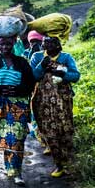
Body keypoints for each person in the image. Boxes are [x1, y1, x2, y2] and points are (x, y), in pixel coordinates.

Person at [0, 35, 36, 185]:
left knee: (18, 137)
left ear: (12, 45)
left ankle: (17, 171)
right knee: (6, 136)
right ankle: (10, 168)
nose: (5, 47)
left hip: (20, 105)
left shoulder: (21, 62)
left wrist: (17, 90)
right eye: (2, 45)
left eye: (8, 44)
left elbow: (31, 82)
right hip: (2, 105)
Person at [29, 36, 80, 178]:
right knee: (49, 130)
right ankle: (59, 164)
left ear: (59, 46)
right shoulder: (37, 56)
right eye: (46, 43)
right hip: (42, 101)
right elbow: (32, 76)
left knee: (65, 128)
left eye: (52, 43)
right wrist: (42, 66)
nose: (49, 46)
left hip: (62, 100)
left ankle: (68, 162)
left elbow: (75, 76)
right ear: (43, 45)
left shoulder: (66, 57)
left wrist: (62, 72)